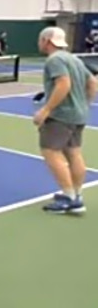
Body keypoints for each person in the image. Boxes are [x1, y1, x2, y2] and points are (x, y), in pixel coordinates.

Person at [34, 26, 97, 214]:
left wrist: (46, 110)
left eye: (41, 40)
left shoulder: (55, 60)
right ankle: (76, 195)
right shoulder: (74, 59)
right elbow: (92, 82)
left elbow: (63, 83)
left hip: (60, 116)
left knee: (50, 152)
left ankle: (70, 199)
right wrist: (84, 104)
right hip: (78, 115)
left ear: (47, 41)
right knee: (73, 153)